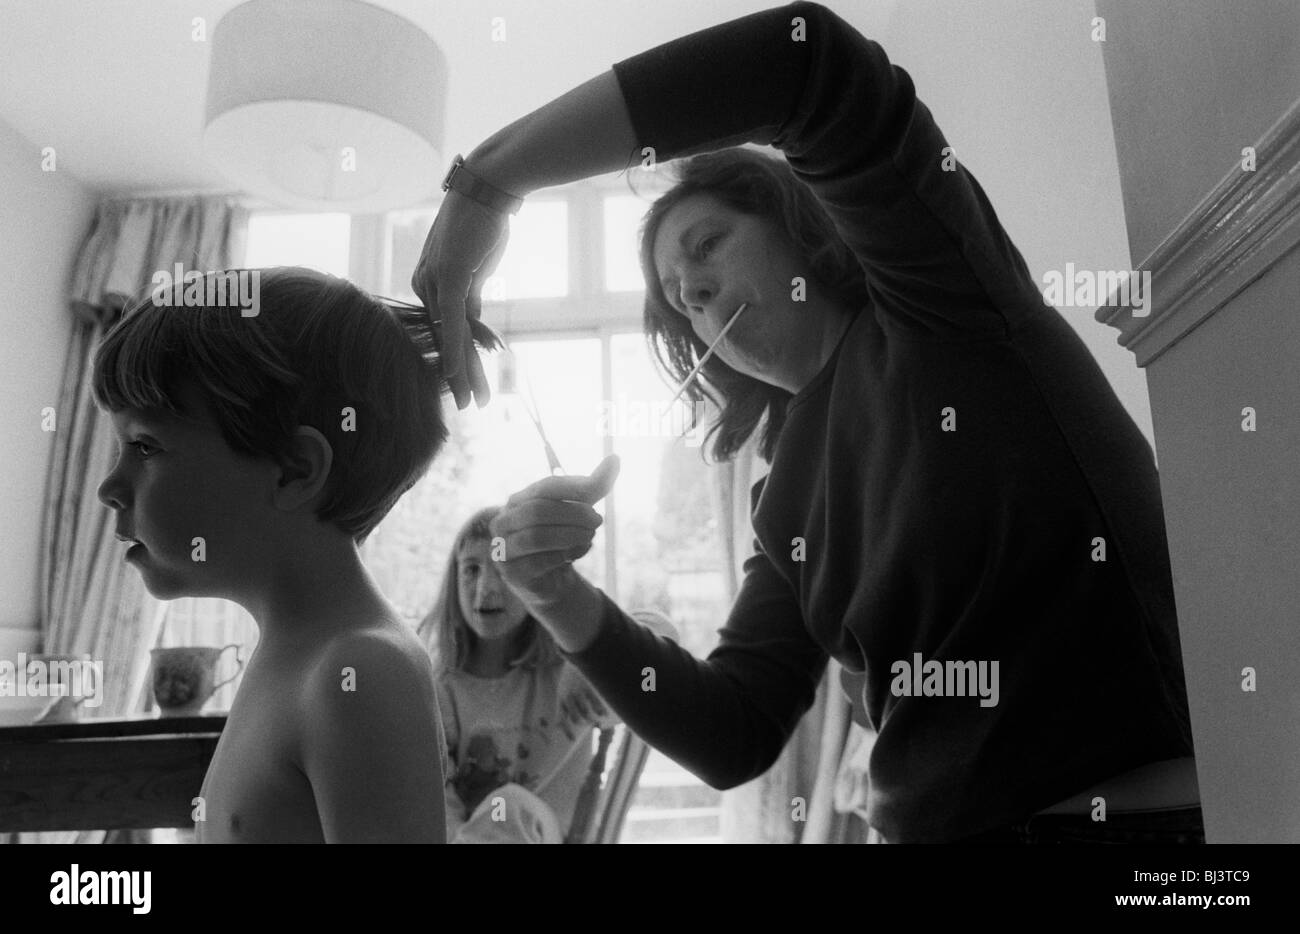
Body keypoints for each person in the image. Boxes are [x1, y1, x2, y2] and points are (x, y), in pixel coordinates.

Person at [412, 2, 1203, 844]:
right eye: (673, 294)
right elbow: (733, 733)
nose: (689, 290)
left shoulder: (940, 309)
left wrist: (492, 180)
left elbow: (808, 62)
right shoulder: (781, 496)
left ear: (799, 225)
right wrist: (555, 592)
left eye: (706, 245)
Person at [94, 267, 497, 843]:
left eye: (144, 446)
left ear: (295, 470)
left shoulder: (357, 672)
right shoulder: (296, 654)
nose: (110, 487)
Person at [420, 506, 619, 844]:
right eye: (471, 569)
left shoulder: (567, 676)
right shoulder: (440, 689)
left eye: (502, 569)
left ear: (533, 581)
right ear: (454, 582)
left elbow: (663, 633)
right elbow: (439, 804)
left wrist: (588, 656)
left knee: (509, 806)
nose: (486, 589)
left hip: (553, 835)